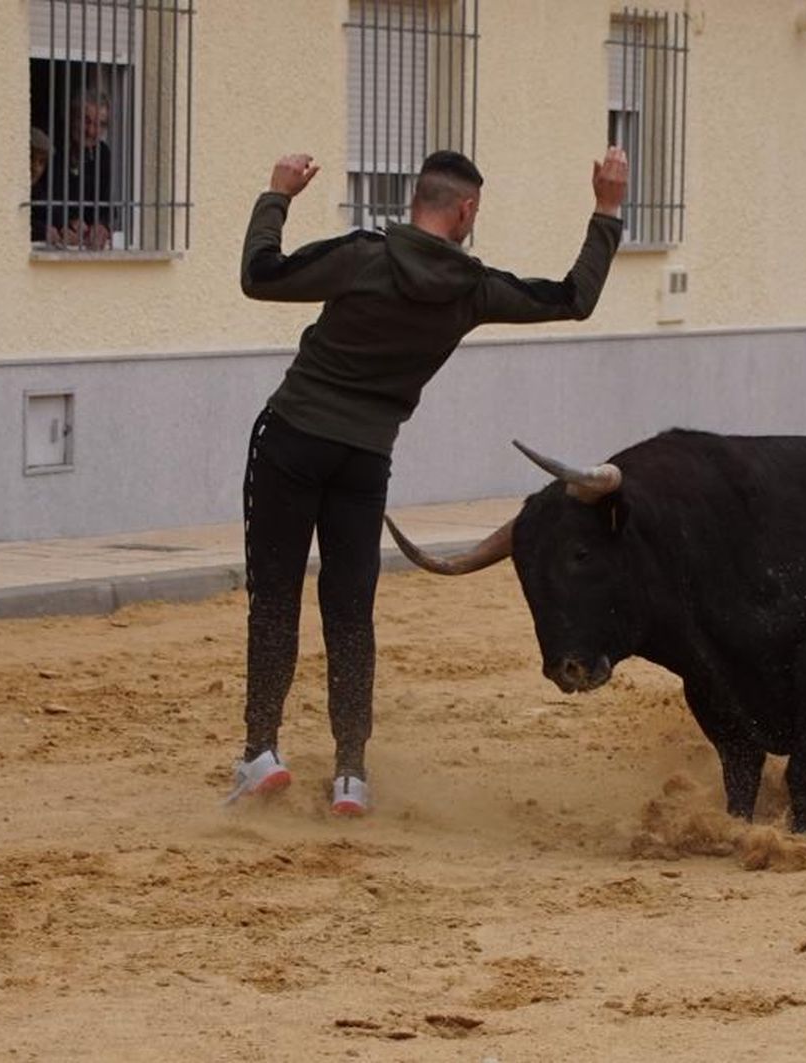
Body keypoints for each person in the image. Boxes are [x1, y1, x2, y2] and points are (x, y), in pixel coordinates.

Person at [228, 147, 630, 812]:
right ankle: (351, 772)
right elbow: (573, 299)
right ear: (466, 209)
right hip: (365, 458)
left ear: (417, 199)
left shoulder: (364, 256)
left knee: (275, 598)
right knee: (351, 611)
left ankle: (261, 753)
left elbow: (260, 274)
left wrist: (277, 195)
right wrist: (606, 207)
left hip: (292, 439)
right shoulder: (472, 288)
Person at [48, 93, 114, 250]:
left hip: (85, 246)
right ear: (71, 118)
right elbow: (39, 197)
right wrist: (66, 221)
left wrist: (102, 225)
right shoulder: (53, 147)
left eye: (100, 124)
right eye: (86, 121)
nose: (91, 131)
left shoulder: (103, 153)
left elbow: (107, 204)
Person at [28, 127, 53, 243]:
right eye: (31, 158)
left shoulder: (39, 191)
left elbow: (51, 216)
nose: (35, 168)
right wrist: (43, 231)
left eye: (42, 162)